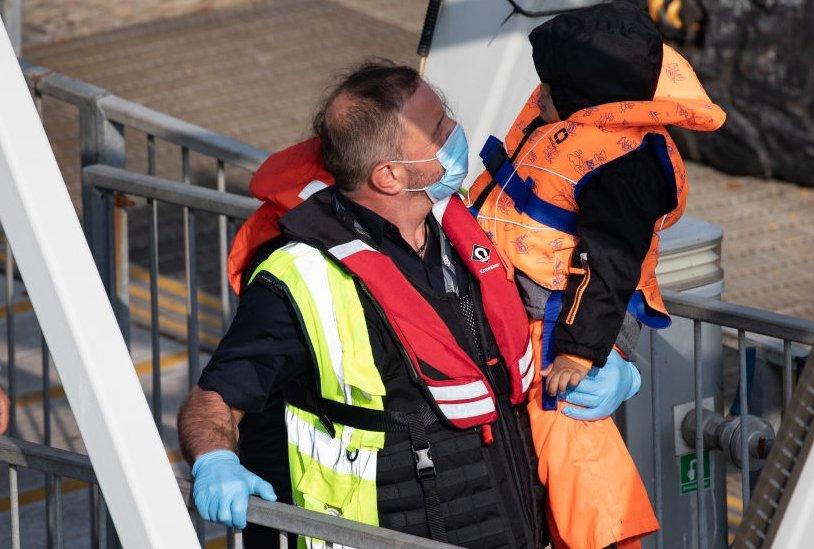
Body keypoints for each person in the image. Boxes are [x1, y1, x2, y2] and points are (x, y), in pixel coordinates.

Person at [178, 61, 547, 548]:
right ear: (391, 176)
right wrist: (215, 460)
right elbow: (212, 401)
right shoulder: (301, 277)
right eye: (438, 129)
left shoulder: (465, 229)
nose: (457, 131)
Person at [467, 2, 726, 547]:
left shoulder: (625, 164)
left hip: (568, 322)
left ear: (582, 99)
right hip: (530, 308)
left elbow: (609, 267)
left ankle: (609, 540)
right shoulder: (576, 121)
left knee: (570, 439)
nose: (539, 98)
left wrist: (580, 353)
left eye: (550, 88)